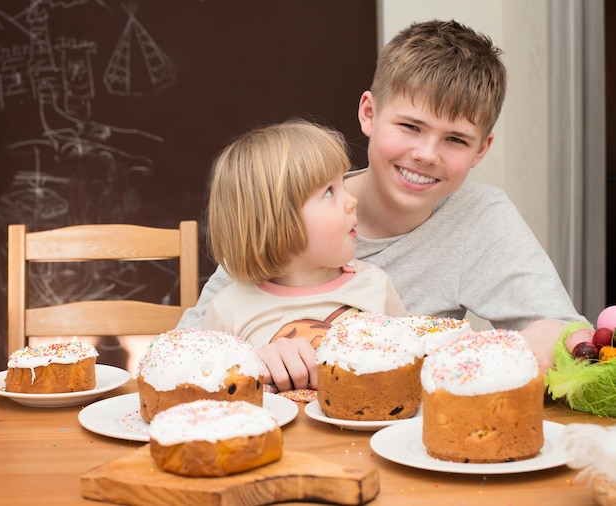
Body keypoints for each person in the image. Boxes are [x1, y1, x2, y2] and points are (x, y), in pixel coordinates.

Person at [179, 19, 588, 388]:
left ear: (482, 150)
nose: (427, 154)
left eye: (456, 139)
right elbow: (188, 351)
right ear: (369, 113)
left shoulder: (479, 216)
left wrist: (535, 342)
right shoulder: (284, 211)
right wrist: (256, 360)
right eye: (411, 126)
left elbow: (568, 334)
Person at [180, 119, 407, 391]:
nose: (351, 200)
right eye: (329, 192)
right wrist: (247, 371)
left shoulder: (375, 286)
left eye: (343, 185)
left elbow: (409, 372)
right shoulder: (228, 309)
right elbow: (202, 388)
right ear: (277, 221)